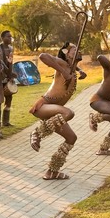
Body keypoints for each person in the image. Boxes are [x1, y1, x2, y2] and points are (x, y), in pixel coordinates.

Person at [29, 42, 87, 180]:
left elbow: (72, 67)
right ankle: (36, 133)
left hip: (55, 114)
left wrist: (79, 71)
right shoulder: (62, 63)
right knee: (68, 113)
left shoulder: (72, 68)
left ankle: (52, 171)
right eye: (74, 50)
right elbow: (43, 56)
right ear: (67, 54)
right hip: (44, 107)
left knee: (71, 138)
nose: (78, 52)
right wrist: (63, 72)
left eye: (79, 50)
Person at [0, 30, 16, 126]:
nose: (10, 38)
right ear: (2, 38)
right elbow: (1, 64)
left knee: (9, 98)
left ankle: (6, 121)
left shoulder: (10, 48)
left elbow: (11, 63)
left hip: (8, 77)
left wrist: (11, 75)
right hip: (0, 78)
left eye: (11, 37)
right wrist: (9, 74)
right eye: (8, 37)